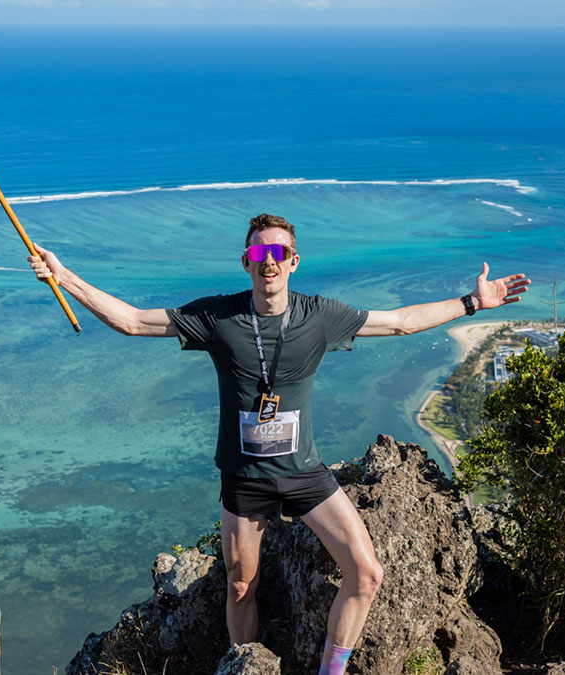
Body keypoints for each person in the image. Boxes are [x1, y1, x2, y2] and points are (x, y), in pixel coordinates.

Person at [29, 213, 528, 674]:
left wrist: (473, 303)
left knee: (367, 574)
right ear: (247, 262)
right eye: (258, 254)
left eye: (278, 253)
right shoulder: (218, 317)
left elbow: (399, 322)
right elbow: (132, 321)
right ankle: (241, 664)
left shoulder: (318, 316)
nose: (268, 262)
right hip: (245, 479)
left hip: (304, 473)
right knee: (240, 585)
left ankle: (330, 671)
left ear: (293, 261)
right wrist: (63, 275)